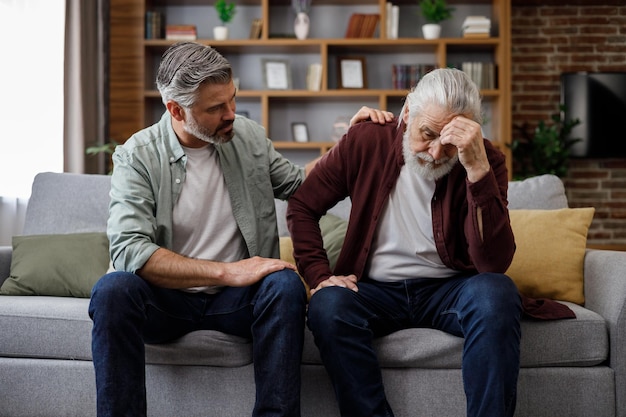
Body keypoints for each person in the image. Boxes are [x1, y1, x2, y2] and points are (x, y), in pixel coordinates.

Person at [88, 41, 392, 417]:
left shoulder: (246, 136)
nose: (231, 113)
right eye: (216, 108)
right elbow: (131, 251)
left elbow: (301, 185)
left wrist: (349, 142)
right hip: (165, 299)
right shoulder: (137, 156)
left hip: (235, 303)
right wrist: (228, 272)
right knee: (112, 290)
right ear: (176, 110)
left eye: (232, 99)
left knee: (282, 285)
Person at [286, 68, 522, 417]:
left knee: (497, 291)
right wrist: (320, 275)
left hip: (448, 290)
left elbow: (492, 263)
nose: (437, 152)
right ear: (408, 111)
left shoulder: (484, 160)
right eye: (427, 134)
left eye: (451, 142)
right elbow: (302, 203)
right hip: (373, 291)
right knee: (328, 306)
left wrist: (476, 171)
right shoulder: (367, 140)